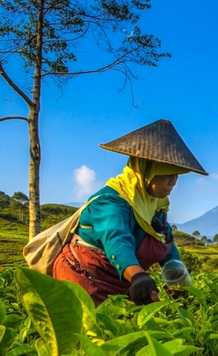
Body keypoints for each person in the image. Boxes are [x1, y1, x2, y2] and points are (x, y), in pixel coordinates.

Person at [52, 119, 207, 306]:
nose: (173, 182)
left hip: (122, 285)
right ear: (146, 172)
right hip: (85, 284)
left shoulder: (154, 205)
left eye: (176, 175)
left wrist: (175, 274)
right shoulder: (111, 202)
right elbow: (116, 239)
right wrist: (138, 275)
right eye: (167, 174)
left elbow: (163, 238)